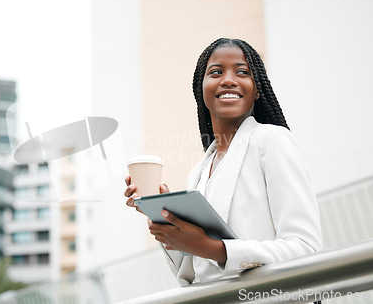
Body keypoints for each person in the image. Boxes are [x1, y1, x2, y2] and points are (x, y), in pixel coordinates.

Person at [124, 38, 322, 287]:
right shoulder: (199, 172)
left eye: (242, 72)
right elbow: (197, 272)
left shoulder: (271, 141)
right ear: (200, 87)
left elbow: (305, 247)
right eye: (216, 72)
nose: (229, 79)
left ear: (257, 88)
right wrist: (165, 220)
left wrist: (215, 248)